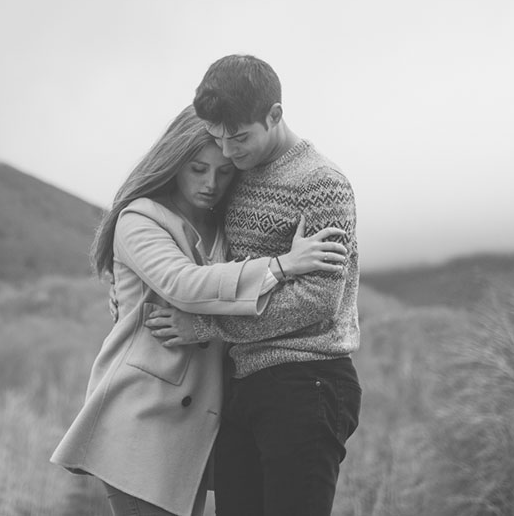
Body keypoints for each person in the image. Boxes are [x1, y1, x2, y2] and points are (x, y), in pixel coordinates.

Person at [50, 105, 348, 516]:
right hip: (145, 420)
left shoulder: (221, 224)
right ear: (173, 162)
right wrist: (282, 266)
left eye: (224, 172)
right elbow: (184, 285)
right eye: (198, 169)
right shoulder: (139, 218)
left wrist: (210, 324)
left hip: (197, 428)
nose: (211, 183)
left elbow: (222, 303)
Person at [146, 55, 361, 516]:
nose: (227, 150)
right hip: (240, 384)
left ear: (275, 115)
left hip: (307, 381)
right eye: (219, 137)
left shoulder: (322, 185)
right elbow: (202, 251)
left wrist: (207, 325)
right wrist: (127, 280)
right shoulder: (235, 173)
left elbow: (318, 301)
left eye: (239, 137)